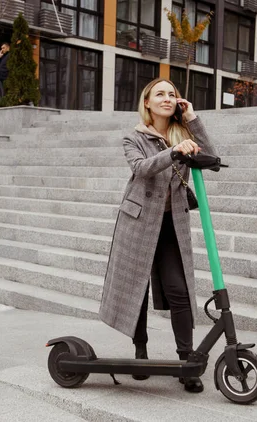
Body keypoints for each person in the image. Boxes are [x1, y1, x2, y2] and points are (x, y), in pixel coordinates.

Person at [99, 78, 217, 393]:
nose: (167, 98)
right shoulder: (133, 136)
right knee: (137, 288)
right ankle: (140, 349)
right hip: (137, 220)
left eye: (172, 94)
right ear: (148, 103)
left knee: (179, 289)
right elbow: (141, 168)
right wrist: (174, 152)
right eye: (159, 94)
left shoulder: (184, 133)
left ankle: (185, 361)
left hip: (170, 222)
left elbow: (214, 158)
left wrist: (191, 119)